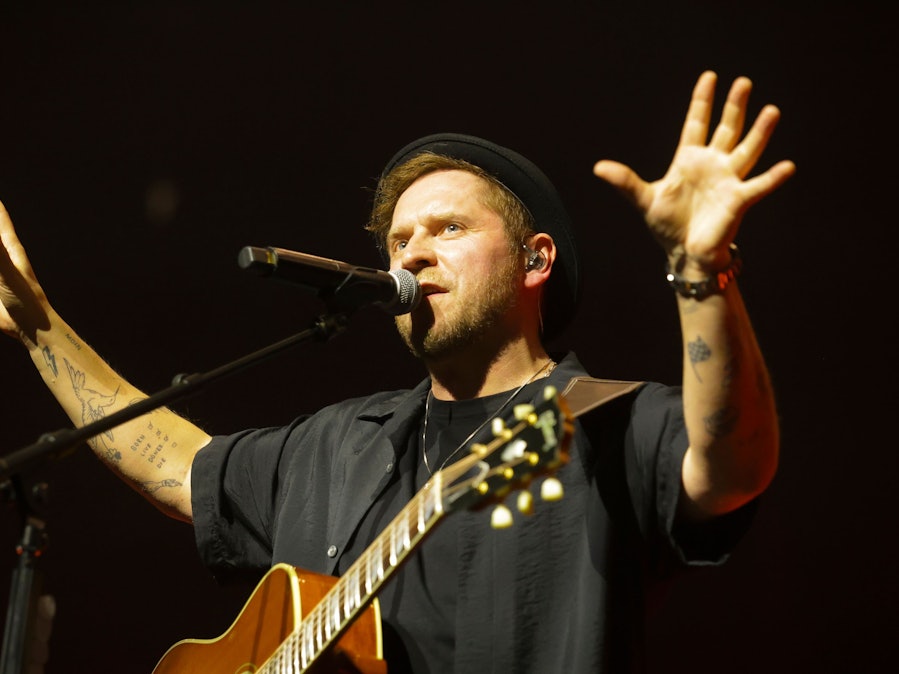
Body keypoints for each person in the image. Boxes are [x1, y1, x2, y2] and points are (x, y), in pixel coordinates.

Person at [0, 70, 795, 672]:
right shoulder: (340, 443)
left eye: (447, 227)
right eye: (398, 241)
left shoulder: (604, 422)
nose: (411, 252)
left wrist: (701, 270)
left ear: (534, 259)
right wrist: (33, 321)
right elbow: (176, 466)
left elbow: (731, 465)